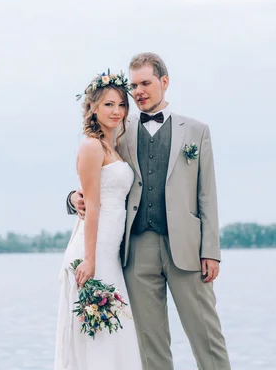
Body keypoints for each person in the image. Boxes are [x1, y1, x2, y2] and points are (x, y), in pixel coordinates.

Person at [66, 53, 231, 370]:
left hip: (187, 250)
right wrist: (73, 197)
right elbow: (93, 171)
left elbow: (207, 195)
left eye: (146, 83)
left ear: (164, 82)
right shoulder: (119, 128)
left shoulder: (196, 131)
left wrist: (211, 250)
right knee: (150, 347)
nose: (138, 91)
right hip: (136, 250)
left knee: (207, 338)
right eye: (134, 85)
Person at [54, 70, 143, 370]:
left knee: (113, 336)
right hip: (92, 252)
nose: (116, 111)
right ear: (93, 107)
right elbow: (92, 206)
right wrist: (89, 261)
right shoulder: (91, 146)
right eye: (108, 104)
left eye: (121, 104)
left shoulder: (113, 147)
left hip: (109, 252)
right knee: (95, 337)